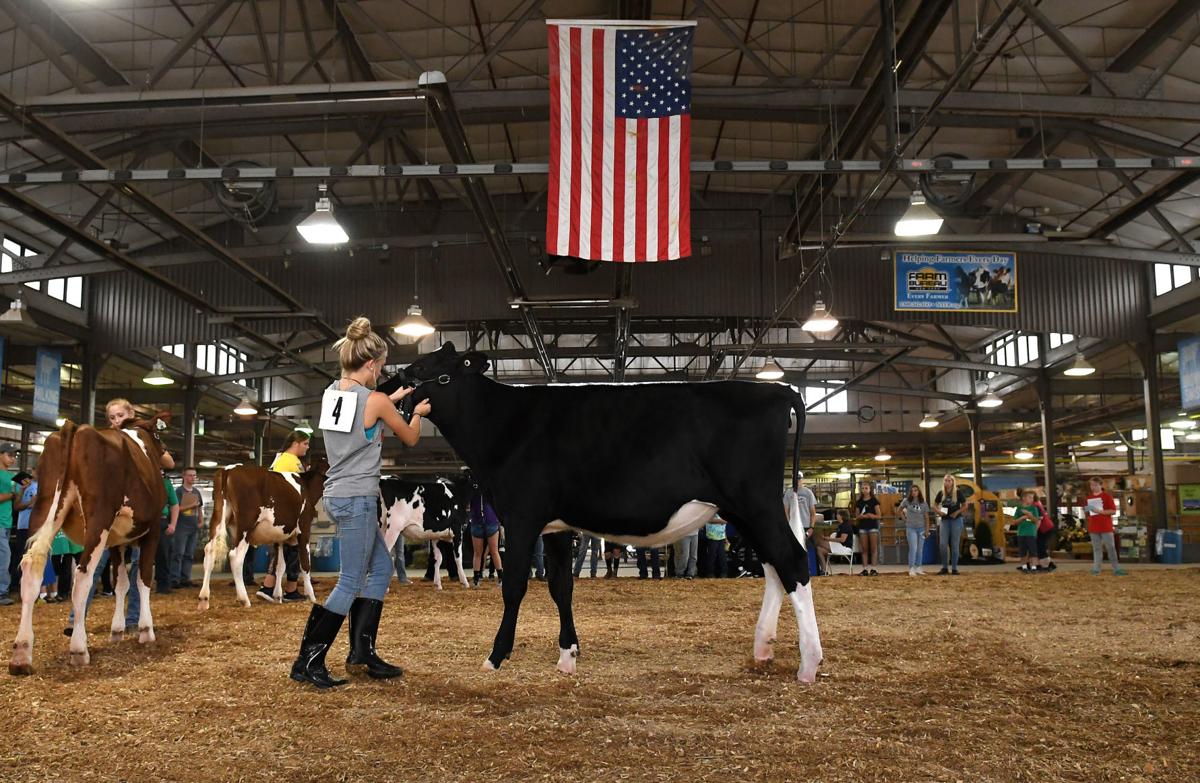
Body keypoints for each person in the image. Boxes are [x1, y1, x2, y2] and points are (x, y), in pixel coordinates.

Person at [290, 317, 429, 688]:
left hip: (338, 494)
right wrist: (415, 412)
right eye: (380, 367)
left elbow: (359, 418)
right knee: (350, 580)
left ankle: (361, 652)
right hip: (357, 498)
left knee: (380, 569)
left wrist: (389, 401)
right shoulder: (377, 401)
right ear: (371, 364)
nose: (379, 372)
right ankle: (309, 661)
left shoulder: (332, 392)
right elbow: (411, 438)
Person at [259, 433, 310, 603]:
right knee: (289, 547)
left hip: (282, 512)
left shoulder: (281, 459)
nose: (307, 447)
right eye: (305, 443)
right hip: (286, 512)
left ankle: (280, 587)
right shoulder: (289, 461)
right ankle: (277, 587)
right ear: (295, 443)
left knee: (286, 549)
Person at [1085, 476, 1127, 576]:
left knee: (1111, 547)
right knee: (1096, 548)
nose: (1093, 487)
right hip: (1093, 526)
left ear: (1100, 485)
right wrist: (1086, 510)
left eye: (1095, 485)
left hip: (1105, 527)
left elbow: (1113, 511)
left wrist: (1099, 511)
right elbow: (1088, 514)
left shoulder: (1107, 497)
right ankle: (1096, 569)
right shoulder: (1088, 498)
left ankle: (1116, 568)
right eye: (1091, 485)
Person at [172, 467, 203, 589]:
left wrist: (201, 520)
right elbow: (175, 508)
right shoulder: (179, 492)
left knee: (189, 554)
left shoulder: (196, 492)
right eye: (190, 475)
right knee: (178, 553)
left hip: (193, 525)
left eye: (194, 476)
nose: (192, 478)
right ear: (184, 476)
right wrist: (191, 505)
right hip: (181, 526)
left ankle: (186, 578)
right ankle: (174, 579)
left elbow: (199, 507)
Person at [469, 490, 504, 587]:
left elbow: (467, 504)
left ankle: (476, 579)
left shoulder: (473, 488)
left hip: (476, 520)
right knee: (494, 552)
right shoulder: (490, 487)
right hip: (491, 519)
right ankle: (501, 578)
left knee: (477, 553)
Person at [934, 474, 966, 575]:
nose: (947, 482)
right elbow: (934, 505)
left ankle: (954, 568)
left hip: (956, 520)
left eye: (949, 481)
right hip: (944, 520)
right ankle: (944, 567)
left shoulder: (958, 493)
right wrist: (939, 512)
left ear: (952, 482)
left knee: (954, 544)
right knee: (943, 544)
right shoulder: (941, 493)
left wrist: (957, 512)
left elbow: (965, 505)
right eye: (945, 481)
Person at [154, 474, 180, 594]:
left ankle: (163, 584)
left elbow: (175, 504)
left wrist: (173, 524)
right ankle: (135, 585)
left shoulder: (166, 483)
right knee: (137, 556)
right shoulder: (140, 478)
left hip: (161, 520)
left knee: (163, 554)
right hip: (143, 521)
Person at [898, 485, 931, 576]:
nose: (914, 492)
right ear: (910, 492)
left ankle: (919, 567)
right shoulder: (906, 501)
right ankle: (911, 567)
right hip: (911, 528)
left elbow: (927, 517)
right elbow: (899, 510)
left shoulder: (923, 503)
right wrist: (904, 519)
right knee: (913, 548)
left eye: (916, 490)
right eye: (912, 491)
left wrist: (927, 530)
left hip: (921, 528)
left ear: (919, 491)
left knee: (920, 549)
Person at [10, 471, 34, 591]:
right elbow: (16, 507)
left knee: (32, 556)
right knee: (20, 555)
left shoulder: (39, 486)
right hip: (22, 527)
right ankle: (16, 584)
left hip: (35, 526)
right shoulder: (21, 488)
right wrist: (29, 502)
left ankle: (29, 585)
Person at [0, 442, 18, 605]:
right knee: (5, 557)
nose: (12, 459)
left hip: (7, 522)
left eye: (14, 456)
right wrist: (12, 494)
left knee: (5, 557)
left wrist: (23, 490)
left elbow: (17, 503)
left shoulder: (12, 477)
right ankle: (2, 592)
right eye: (9, 455)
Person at [853, 480, 881, 576]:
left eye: (866, 488)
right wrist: (864, 516)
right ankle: (864, 569)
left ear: (870, 489)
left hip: (872, 526)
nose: (864, 490)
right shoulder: (859, 502)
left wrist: (871, 515)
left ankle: (873, 569)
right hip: (862, 527)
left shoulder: (874, 501)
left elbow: (879, 515)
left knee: (873, 548)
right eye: (862, 488)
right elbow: (857, 516)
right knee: (864, 549)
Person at [1013, 490, 1042, 574]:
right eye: (1029, 497)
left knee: (1033, 551)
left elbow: (1036, 521)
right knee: (1023, 551)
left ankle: (1033, 567)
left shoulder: (1034, 508)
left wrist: (1029, 515)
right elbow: (1014, 522)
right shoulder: (1018, 509)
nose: (1031, 499)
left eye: (1032, 498)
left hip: (1031, 533)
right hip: (1021, 533)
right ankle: (1024, 567)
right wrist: (1023, 517)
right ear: (1024, 498)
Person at [1034, 494, 1057, 572]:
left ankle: (1046, 566)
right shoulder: (1037, 503)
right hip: (1046, 527)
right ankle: (1048, 564)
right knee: (1040, 547)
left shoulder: (1035, 505)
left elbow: (1039, 520)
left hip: (1044, 528)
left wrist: (1034, 531)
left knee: (1040, 547)